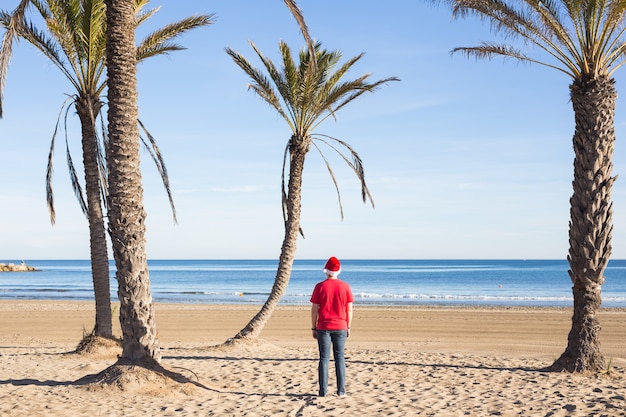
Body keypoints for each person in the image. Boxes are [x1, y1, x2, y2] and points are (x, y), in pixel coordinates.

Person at [310, 256, 354, 397]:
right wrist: (348, 326)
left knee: (324, 358)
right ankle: (341, 391)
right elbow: (349, 309)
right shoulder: (345, 286)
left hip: (323, 326)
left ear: (326, 271)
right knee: (339, 358)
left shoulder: (320, 286)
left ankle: (323, 392)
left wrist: (313, 326)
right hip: (341, 325)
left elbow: (314, 309)